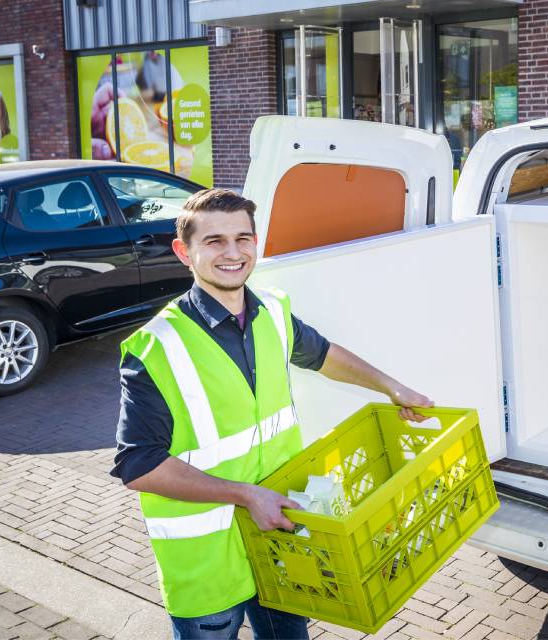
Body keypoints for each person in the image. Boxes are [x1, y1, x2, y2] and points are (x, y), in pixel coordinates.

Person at [113, 189, 432, 639]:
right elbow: (138, 465)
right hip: (211, 562)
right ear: (184, 252)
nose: (233, 253)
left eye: (243, 238)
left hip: (281, 539)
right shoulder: (156, 347)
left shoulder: (274, 311)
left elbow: (323, 355)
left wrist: (392, 387)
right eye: (215, 241)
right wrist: (246, 495)